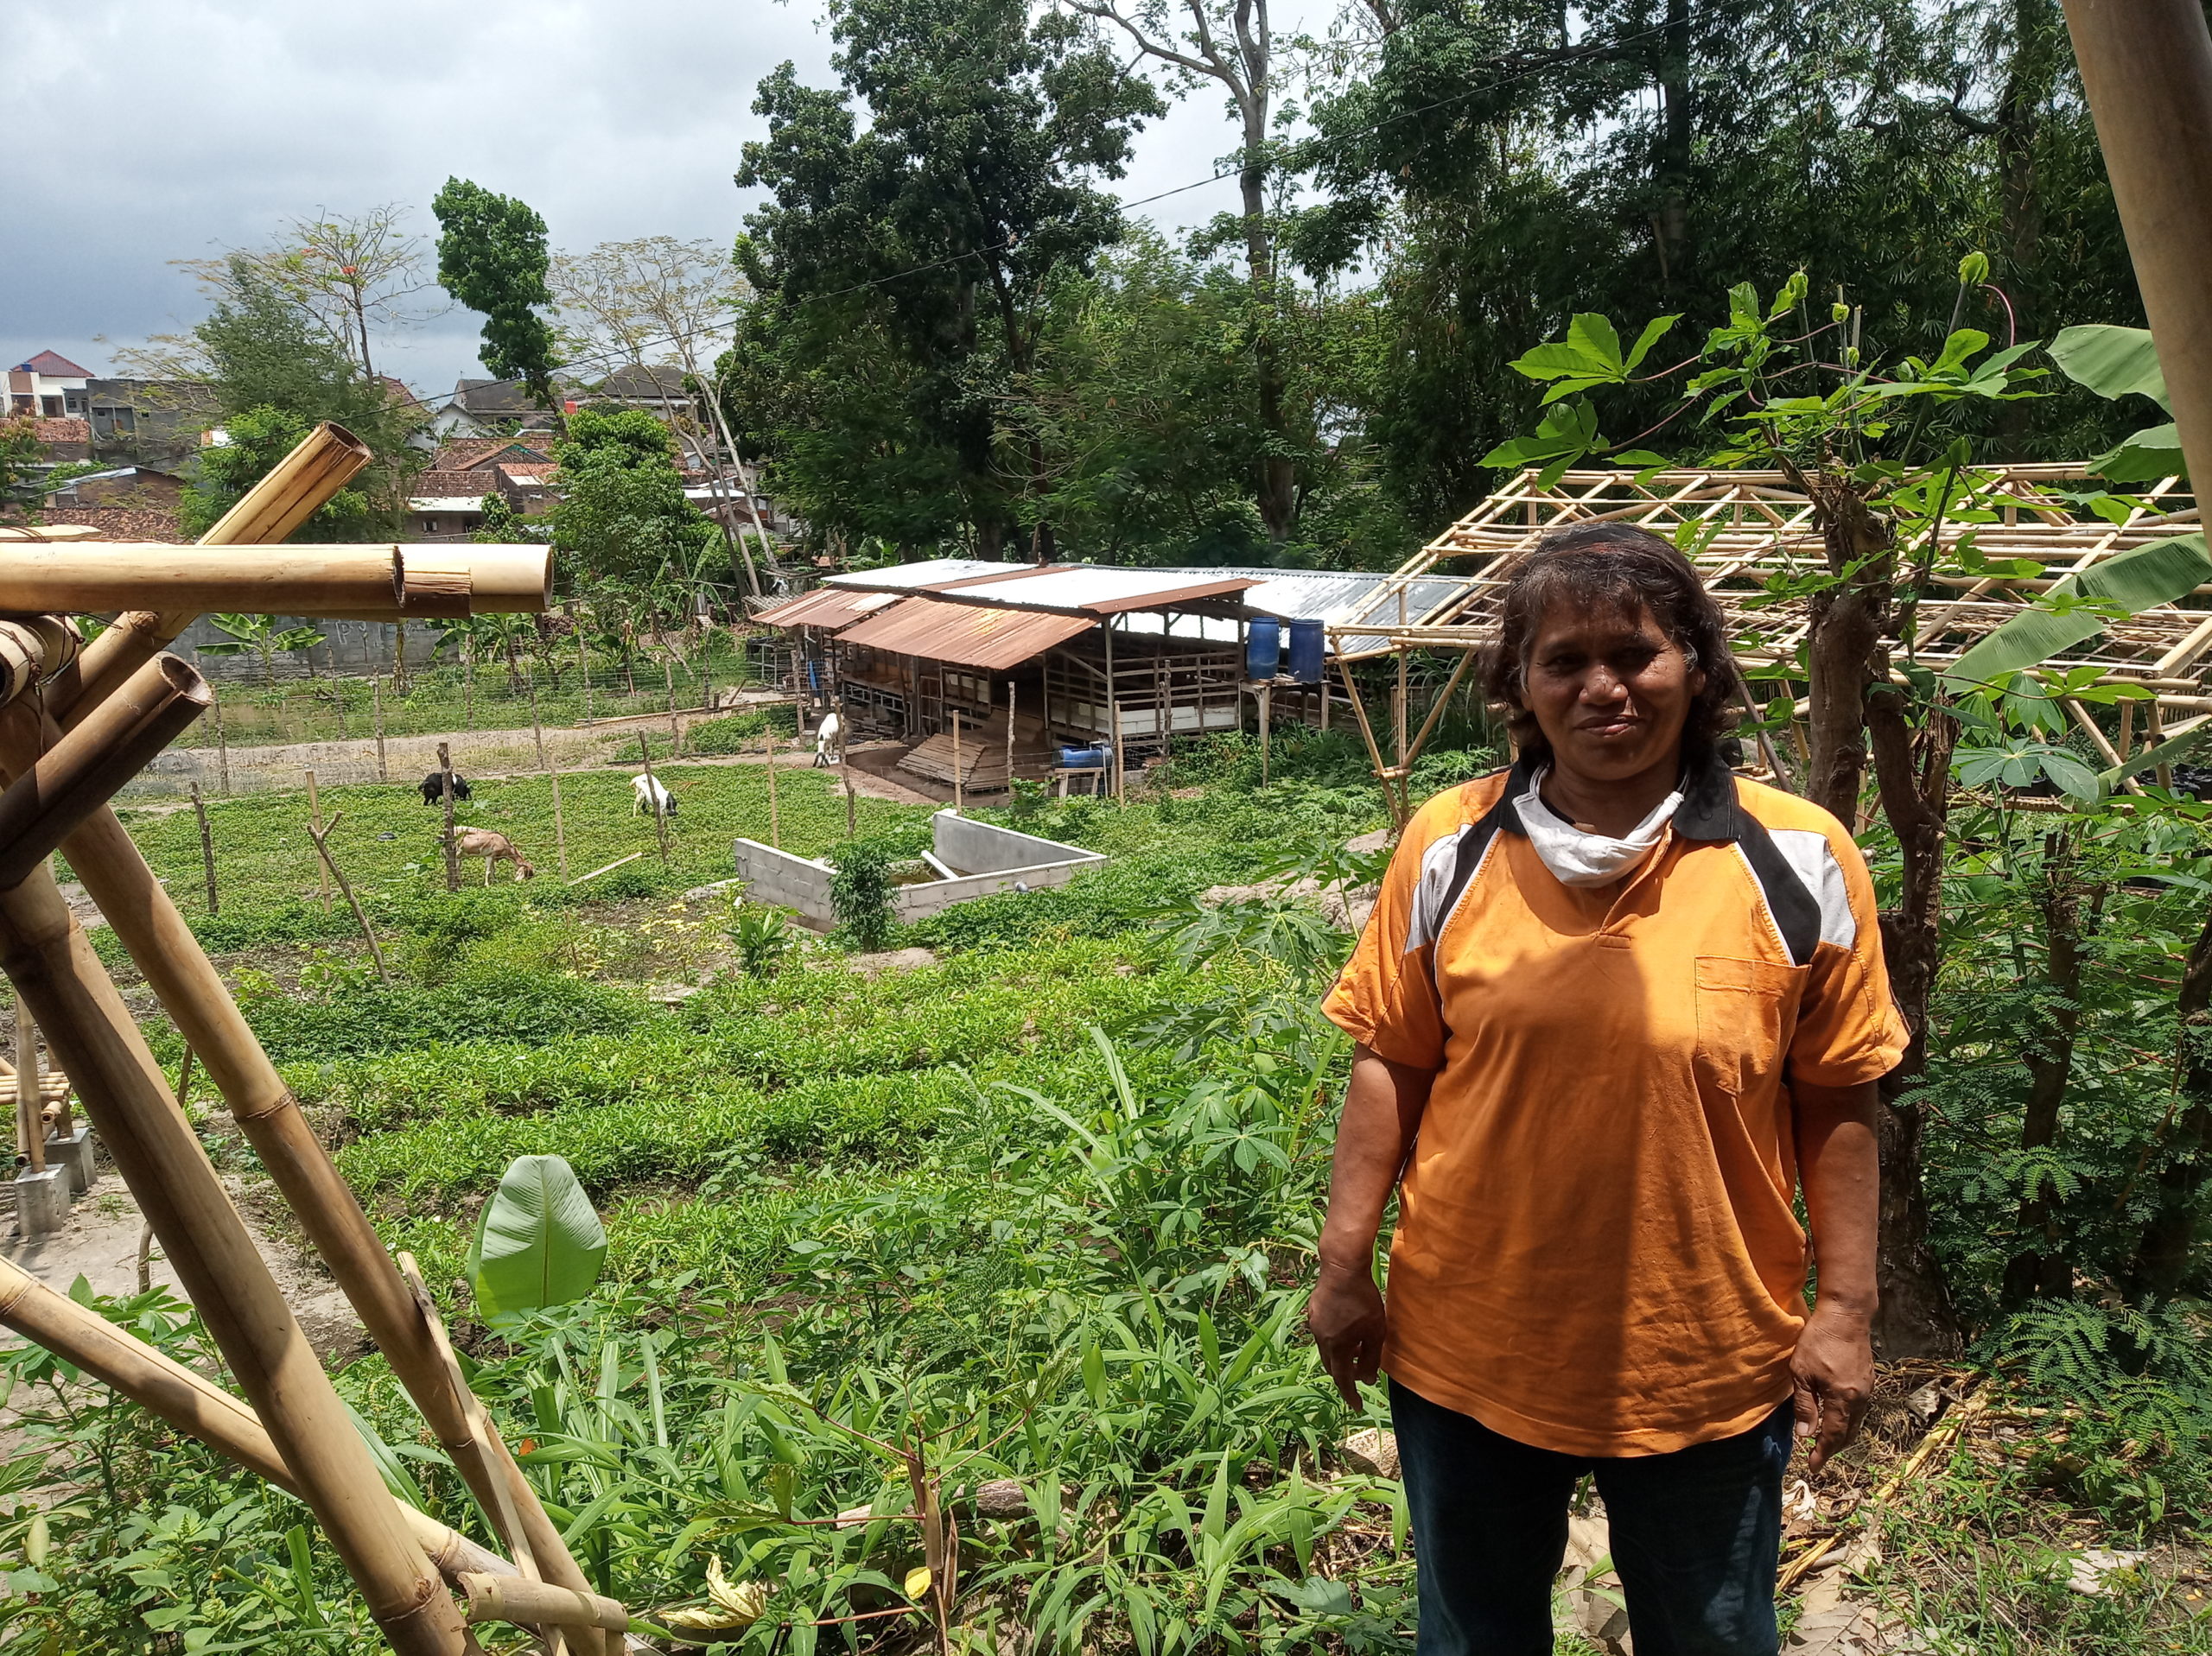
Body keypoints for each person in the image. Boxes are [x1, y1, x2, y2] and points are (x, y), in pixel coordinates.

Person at [1308, 523, 1904, 1656]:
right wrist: (1342, 1269)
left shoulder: (1801, 855)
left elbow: (1838, 1097)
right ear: (1521, 685)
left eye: (1635, 654)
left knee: (1713, 1637)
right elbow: (1392, 1059)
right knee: (1475, 1637)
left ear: (1697, 667)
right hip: (1472, 1350)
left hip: (1706, 1360)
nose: (1603, 687)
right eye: (1565, 659)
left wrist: (1845, 1310)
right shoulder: (1450, 844)